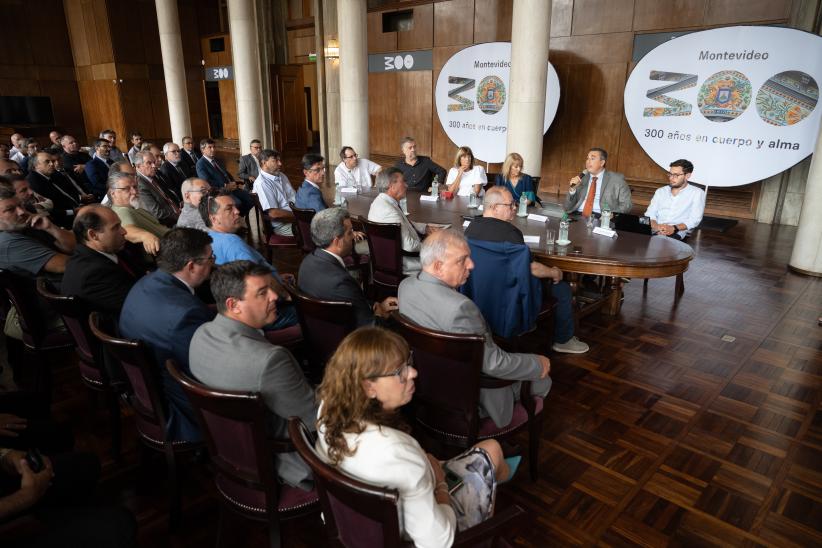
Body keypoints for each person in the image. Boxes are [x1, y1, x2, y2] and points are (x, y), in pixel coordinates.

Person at [315, 327, 509, 546]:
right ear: (368, 387)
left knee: (492, 459)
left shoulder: (328, 407)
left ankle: (497, 477)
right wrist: (440, 486)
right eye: (400, 372)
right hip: (406, 535)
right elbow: (439, 542)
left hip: (357, 523)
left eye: (408, 362)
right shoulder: (397, 451)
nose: (413, 373)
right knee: (492, 449)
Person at [398, 229, 551, 428]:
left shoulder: (405, 286)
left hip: (426, 387)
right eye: (462, 260)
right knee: (544, 380)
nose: (472, 265)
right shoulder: (460, 308)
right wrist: (538, 363)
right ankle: (498, 437)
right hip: (466, 398)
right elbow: (494, 365)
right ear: (438, 266)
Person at [190, 261, 316, 490]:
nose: (274, 296)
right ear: (233, 305)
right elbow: (315, 417)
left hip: (233, 452)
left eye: (270, 288)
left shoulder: (200, 336)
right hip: (286, 459)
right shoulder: (270, 360)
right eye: (262, 292)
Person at [119, 228, 217, 442]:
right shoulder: (187, 314)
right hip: (184, 410)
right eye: (211, 258)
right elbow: (209, 372)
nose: (213, 263)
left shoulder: (144, 284)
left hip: (148, 392)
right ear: (191, 266)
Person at [465, 187, 589, 354]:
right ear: (494, 207)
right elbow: (532, 268)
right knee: (563, 288)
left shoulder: (471, 227)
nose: (515, 208)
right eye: (510, 205)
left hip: (480, 292)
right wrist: (554, 272)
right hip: (509, 298)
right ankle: (564, 340)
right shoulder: (510, 233)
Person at [202, 192, 298, 329]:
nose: (237, 212)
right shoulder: (232, 242)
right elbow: (257, 277)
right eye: (229, 209)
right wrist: (288, 295)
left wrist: (277, 278)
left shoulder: (209, 238)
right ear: (214, 218)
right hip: (267, 310)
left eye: (235, 207)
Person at [298, 208, 397, 327]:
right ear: (337, 242)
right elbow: (370, 327)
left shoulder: (307, 261)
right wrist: (380, 314)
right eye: (350, 232)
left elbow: (351, 302)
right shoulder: (340, 282)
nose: (353, 237)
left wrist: (375, 306)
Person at [61, 205, 142, 318]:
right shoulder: (93, 274)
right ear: (93, 235)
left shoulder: (108, 250)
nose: (124, 231)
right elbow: (140, 305)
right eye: (116, 227)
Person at [368, 168, 433, 274]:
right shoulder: (388, 211)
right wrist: (431, 246)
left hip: (388, 258)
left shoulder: (381, 201)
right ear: (391, 186)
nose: (406, 185)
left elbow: (402, 222)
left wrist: (425, 228)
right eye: (403, 181)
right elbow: (410, 246)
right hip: (403, 262)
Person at [108, 171, 168, 256]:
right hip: (168, 252)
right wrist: (145, 236)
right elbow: (126, 230)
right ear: (113, 193)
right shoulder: (122, 211)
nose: (134, 192)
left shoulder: (132, 207)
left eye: (135, 187)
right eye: (127, 188)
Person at [645, 159, 704, 240]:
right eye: (670, 174)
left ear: (687, 176)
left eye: (676, 175)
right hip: (655, 227)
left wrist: (673, 228)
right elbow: (649, 214)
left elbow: (694, 219)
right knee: (629, 229)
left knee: (661, 245)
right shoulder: (661, 191)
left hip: (677, 230)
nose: (671, 178)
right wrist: (657, 227)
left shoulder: (697, 193)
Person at [564, 148, 631, 215]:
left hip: (601, 217)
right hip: (578, 215)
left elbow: (626, 206)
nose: (588, 161)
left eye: (592, 158)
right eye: (587, 158)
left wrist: (609, 216)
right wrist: (572, 190)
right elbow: (567, 207)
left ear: (602, 163)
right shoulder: (582, 178)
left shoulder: (617, 179)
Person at [196, 138, 253, 216]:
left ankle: (240, 217)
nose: (213, 149)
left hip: (230, 187)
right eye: (210, 147)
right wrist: (224, 185)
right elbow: (206, 181)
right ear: (202, 149)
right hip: (219, 191)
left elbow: (226, 173)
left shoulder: (217, 160)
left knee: (250, 199)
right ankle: (235, 218)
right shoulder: (200, 164)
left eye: (214, 147)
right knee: (237, 202)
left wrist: (233, 182)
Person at [251, 148, 295, 236]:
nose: (280, 163)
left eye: (279, 160)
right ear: (264, 163)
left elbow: (294, 196)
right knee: (319, 232)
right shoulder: (262, 184)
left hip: (296, 215)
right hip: (284, 224)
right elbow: (274, 213)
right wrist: (298, 215)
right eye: (275, 161)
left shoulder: (281, 175)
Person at [134, 151, 180, 226]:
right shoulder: (140, 184)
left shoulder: (153, 177)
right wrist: (177, 215)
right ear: (138, 166)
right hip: (167, 224)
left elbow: (167, 197)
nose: (154, 166)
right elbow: (156, 213)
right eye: (149, 163)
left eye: (154, 162)